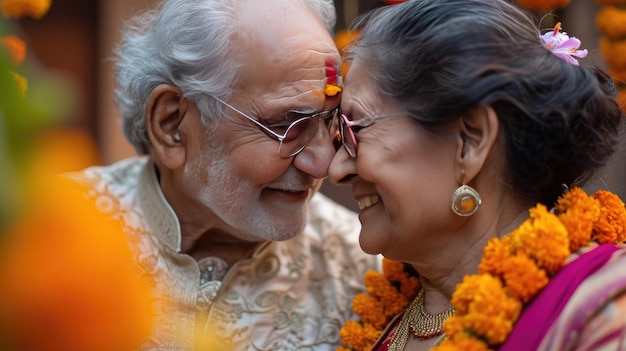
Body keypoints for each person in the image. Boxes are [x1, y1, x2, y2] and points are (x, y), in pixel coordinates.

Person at [65, 0, 379, 349]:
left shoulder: (365, 275)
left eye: (331, 121)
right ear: (170, 124)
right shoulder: (43, 233)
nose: (325, 164)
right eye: (287, 125)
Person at [328, 0, 626, 350]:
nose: (336, 170)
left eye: (354, 129)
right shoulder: (381, 320)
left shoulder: (602, 307)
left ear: (470, 142)